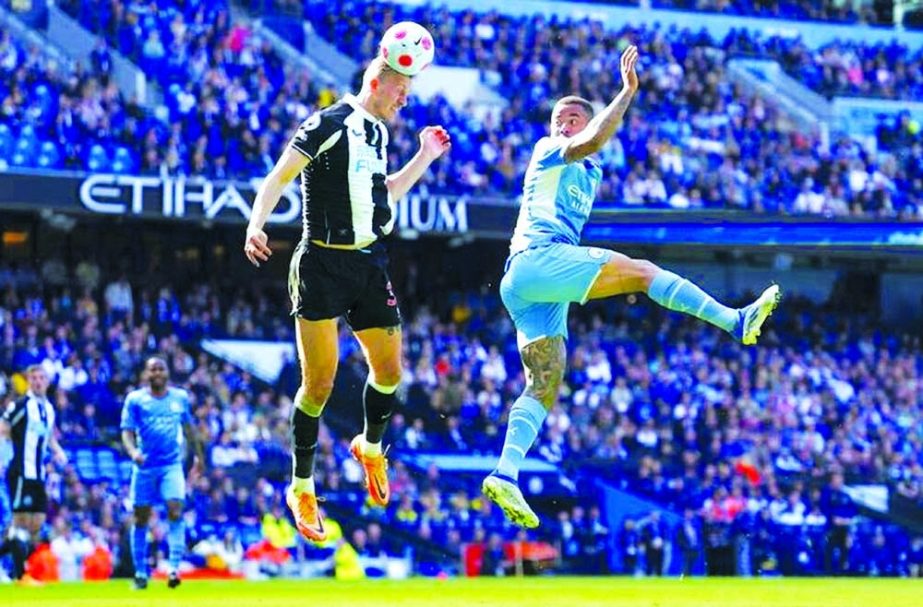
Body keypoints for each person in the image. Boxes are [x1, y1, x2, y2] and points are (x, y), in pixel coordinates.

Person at [482, 45, 781, 527]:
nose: (562, 123)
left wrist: (608, 118)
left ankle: (506, 473)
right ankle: (734, 320)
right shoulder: (550, 151)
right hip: (538, 259)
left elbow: (596, 145)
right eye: (557, 117)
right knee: (641, 272)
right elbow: (592, 141)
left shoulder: (590, 171)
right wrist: (625, 92)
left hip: (531, 284)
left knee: (546, 380)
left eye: (572, 116)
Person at [243, 56, 451, 542]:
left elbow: (383, 197)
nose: (406, 98)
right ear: (376, 82)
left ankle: (371, 446)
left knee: (391, 372)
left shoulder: (378, 134)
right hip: (320, 265)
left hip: (368, 263)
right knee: (319, 385)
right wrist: (256, 225)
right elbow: (278, 177)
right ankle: (300, 486)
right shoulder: (327, 124)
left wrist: (423, 158)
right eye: (401, 89)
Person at [120, 357, 204, 589]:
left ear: (167, 372)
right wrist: (133, 452)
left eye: (161, 368)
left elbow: (189, 429)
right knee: (141, 517)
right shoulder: (135, 399)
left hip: (171, 465)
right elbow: (126, 431)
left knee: (175, 509)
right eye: (152, 369)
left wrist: (198, 456)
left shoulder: (180, 398)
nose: (157, 372)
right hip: (144, 466)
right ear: (146, 374)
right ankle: (139, 572)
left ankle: (174, 569)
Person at [0, 365, 67, 582]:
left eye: (41, 378)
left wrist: (58, 452)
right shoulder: (21, 405)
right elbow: (3, 425)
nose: (38, 382)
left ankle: (10, 557)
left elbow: (48, 437)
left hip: (38, 474)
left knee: (37, 524)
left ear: (47, 382)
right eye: (34, 378)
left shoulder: (48, 409)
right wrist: (5, 452)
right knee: (20, 522)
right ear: (29, 381)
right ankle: (21, 576)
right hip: (20, 470)